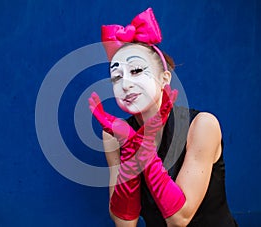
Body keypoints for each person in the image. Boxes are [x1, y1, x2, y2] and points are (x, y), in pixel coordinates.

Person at [89, 8, 238, 227]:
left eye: (137, 70)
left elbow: (179, 219)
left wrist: (143, 148)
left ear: (164, 78)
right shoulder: (113, 136)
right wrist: (130, 149)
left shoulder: (202, 125)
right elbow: (124, 223)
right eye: (116, 77)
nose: (126, 84)